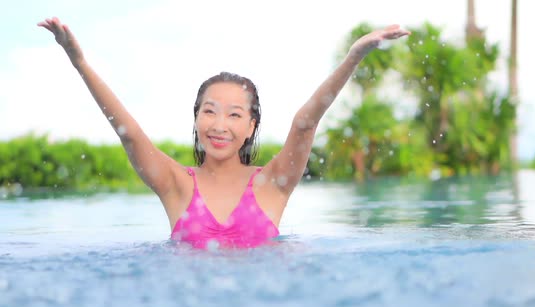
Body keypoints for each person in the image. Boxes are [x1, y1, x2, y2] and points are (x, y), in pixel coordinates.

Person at [38, 17, 410, 249]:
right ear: (197, 118)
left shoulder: (273, 183)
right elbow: (129, 134)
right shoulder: (176, 184)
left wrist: (354, 56)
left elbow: (304, 123)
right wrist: (79, 63)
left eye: (234, 115)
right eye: (209, 111)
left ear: (250, 127)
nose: (219, 125)